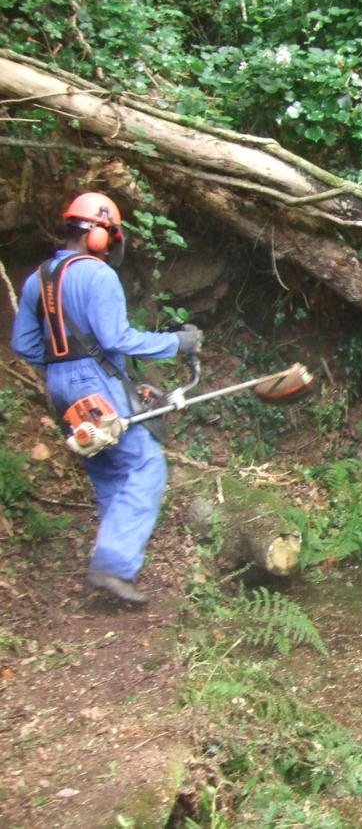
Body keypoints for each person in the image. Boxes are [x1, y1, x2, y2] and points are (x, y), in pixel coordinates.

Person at [9, 192, 202, 604]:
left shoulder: (37, 279)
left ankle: (110, 569)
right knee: (146, 465)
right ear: (99, 235)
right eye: (111, 236)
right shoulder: (99, 276)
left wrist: (61, 366)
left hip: (59, 388)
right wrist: (177, 343)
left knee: (109, 471)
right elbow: (117, 338)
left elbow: (23, 344)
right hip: (95, 384)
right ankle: (112, 568)